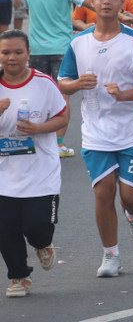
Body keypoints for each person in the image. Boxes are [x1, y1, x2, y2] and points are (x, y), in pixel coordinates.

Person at [57, 0, 133, 278]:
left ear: (122, 2)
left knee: (129, 197)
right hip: (96, 131)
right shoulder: (78, 43)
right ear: (91, 0)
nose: (105, 2)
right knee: (103, 193)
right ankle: (111, 256)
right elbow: (62, 81)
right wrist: (75, 85)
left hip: (132, 130)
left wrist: (126, 94)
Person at [0, 29, 68, 298]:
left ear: (29, 54)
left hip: (41, 172)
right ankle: (19, 277)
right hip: (5, 174)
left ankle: (43, 245)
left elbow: (62, 118)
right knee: (5, 229)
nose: (12, 58)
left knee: (37, 228)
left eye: (18, 52)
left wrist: (39, 128)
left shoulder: (43, 83)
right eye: (6, 52)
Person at [23, 0, 95, 157]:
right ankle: (58, 144)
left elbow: (28, 9)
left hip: (35, 49)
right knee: (62, 95)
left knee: (38, 94)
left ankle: (38, 140)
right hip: (62, 48)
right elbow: (88, 2)